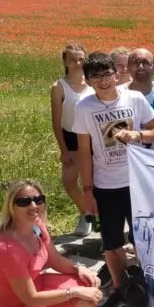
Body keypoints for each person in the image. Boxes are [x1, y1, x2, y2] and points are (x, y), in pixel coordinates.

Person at [74, 52, 154, 289]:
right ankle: (123, 290)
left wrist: (137, 134)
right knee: (112, 244)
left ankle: (148, 288)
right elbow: (84, 152)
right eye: (96, 76)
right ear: (88, 80)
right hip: (105, 186)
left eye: (107, 74)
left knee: (143, 239)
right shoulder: (84, 107)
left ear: (116, 73)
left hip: (137, 182)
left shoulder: (135, 98)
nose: (103, 81)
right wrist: (87, 190)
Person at [0, 180, 102, 307]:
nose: (34, 206)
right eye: (24, 202)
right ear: (11, 207)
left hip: (37, 285)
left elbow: (55, 260)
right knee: (86, 306)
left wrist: (79, 269)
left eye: (38, 200)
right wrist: (73, 292)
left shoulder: (37, 227)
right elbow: (31, 298)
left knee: (89, 282)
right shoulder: (7, 249)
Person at [49, 44, 93, 237]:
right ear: (65, 62)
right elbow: (56, 121)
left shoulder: (93, 83)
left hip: (93, 138)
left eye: (81, 59)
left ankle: (97, 217)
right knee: (69, 182)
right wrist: (63, 149)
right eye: (73, 59)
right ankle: (86, 212)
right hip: (71, 138)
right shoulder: (59, 87)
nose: (78, 63)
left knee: (92, 182)